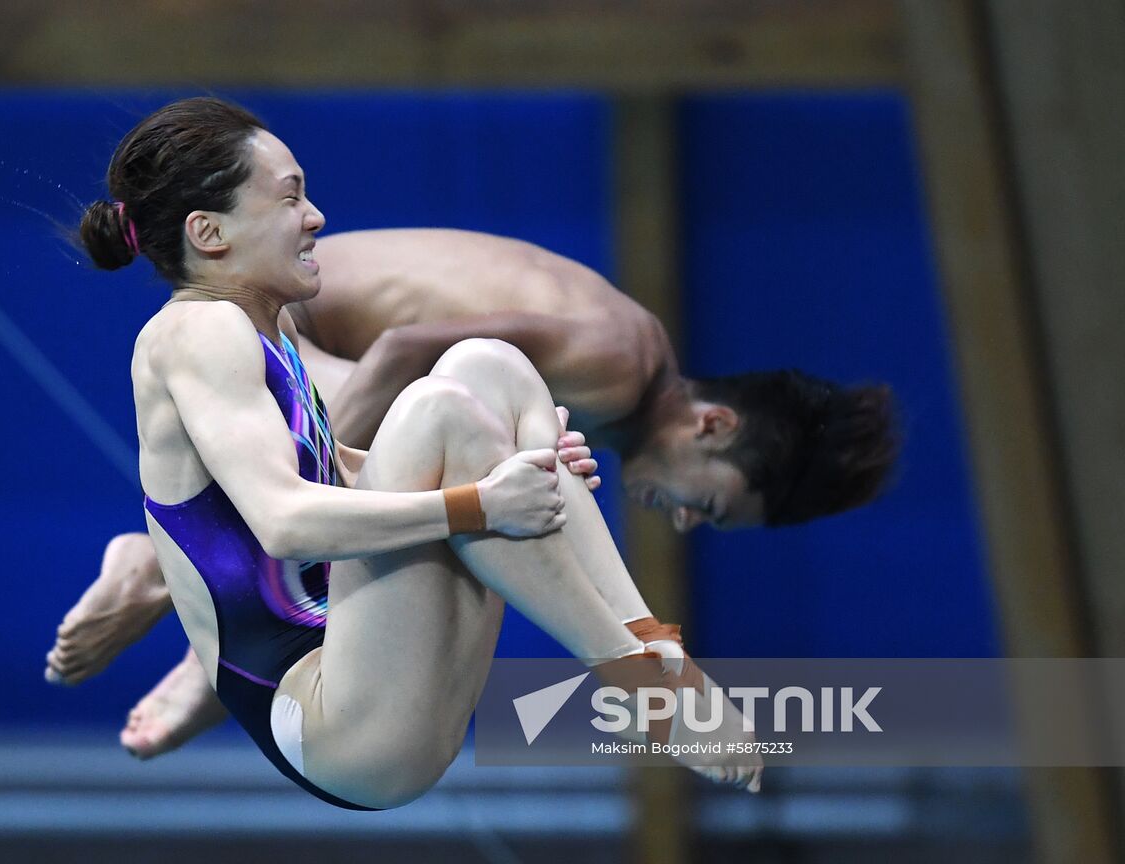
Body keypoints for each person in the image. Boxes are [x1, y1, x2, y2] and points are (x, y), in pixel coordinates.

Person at [73, 96, 760, 808]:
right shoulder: (197, 331)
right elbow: (283, 521)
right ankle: (634, 675)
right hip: (327, 720)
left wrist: (521, 464)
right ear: (209, 232)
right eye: (290, 198)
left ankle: (648, 647)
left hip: (377, 675)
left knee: (487, 365)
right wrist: (483, 502)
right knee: (440, 407)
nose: (315, 218)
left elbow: (341, 475)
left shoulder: (264, 333)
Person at [47, 241, 899, 761]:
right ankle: (167, 573)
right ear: (713, 425)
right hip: (284, 330)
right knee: (447, 426)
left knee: (475, 460)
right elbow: (400, 352)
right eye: (704, 507)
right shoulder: (619, 364)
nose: (677, 518)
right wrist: (265, 525)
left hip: (311, 346)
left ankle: (203, 614)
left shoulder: (624, 376)